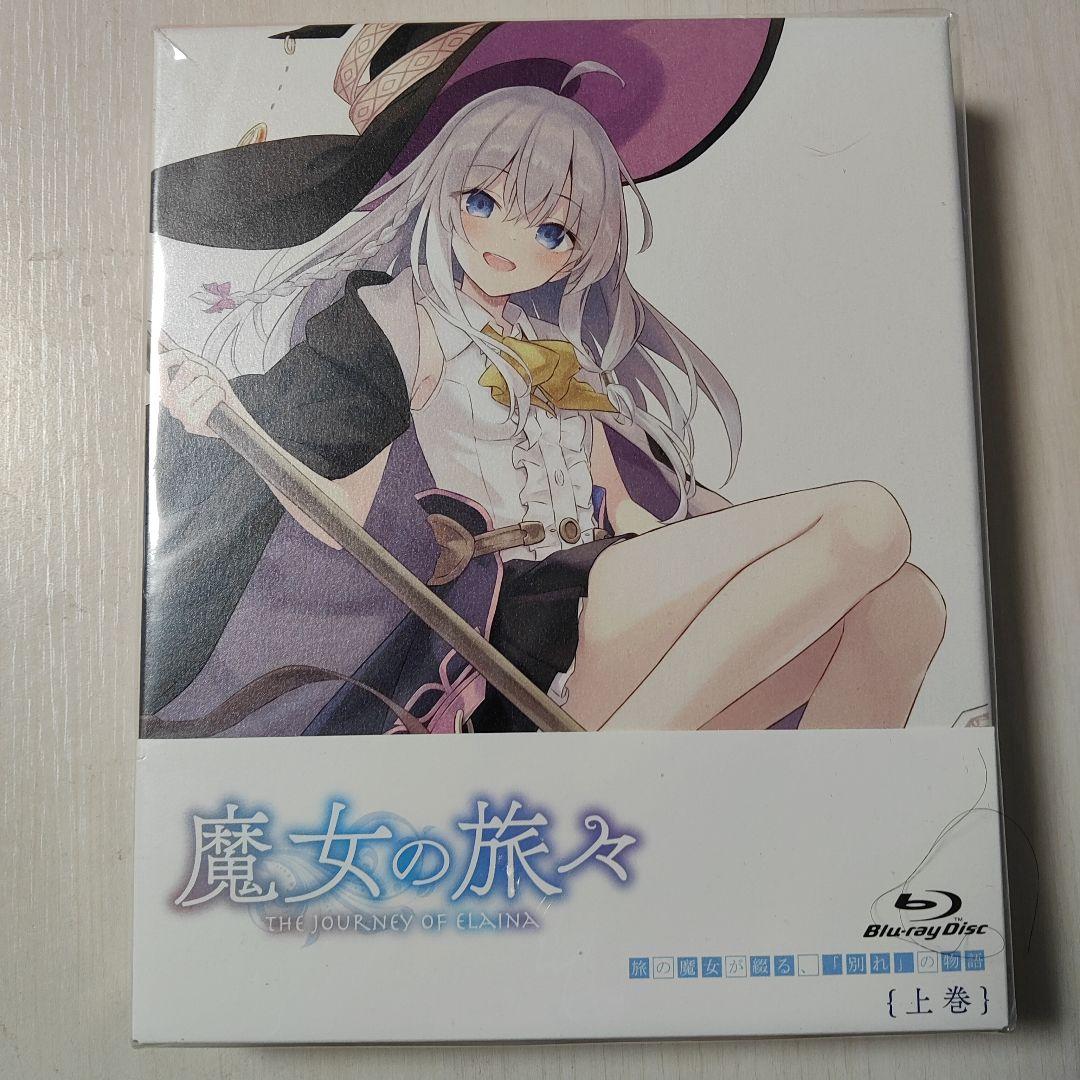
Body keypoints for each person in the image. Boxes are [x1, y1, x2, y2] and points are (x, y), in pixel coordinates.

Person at [147, 71, 945, 737]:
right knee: (868, 518)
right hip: (521, 625)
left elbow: (632, 509)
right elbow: (335, 522)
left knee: (905, 605)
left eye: (552, 230)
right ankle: (603, 766)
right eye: (484, 202)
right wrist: (228, 417)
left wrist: (739, 548)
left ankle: (822, 824)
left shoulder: (553, 352)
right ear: (444, 193)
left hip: (608, 592)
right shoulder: (398, 321)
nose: (510, 241)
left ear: (578, 249)